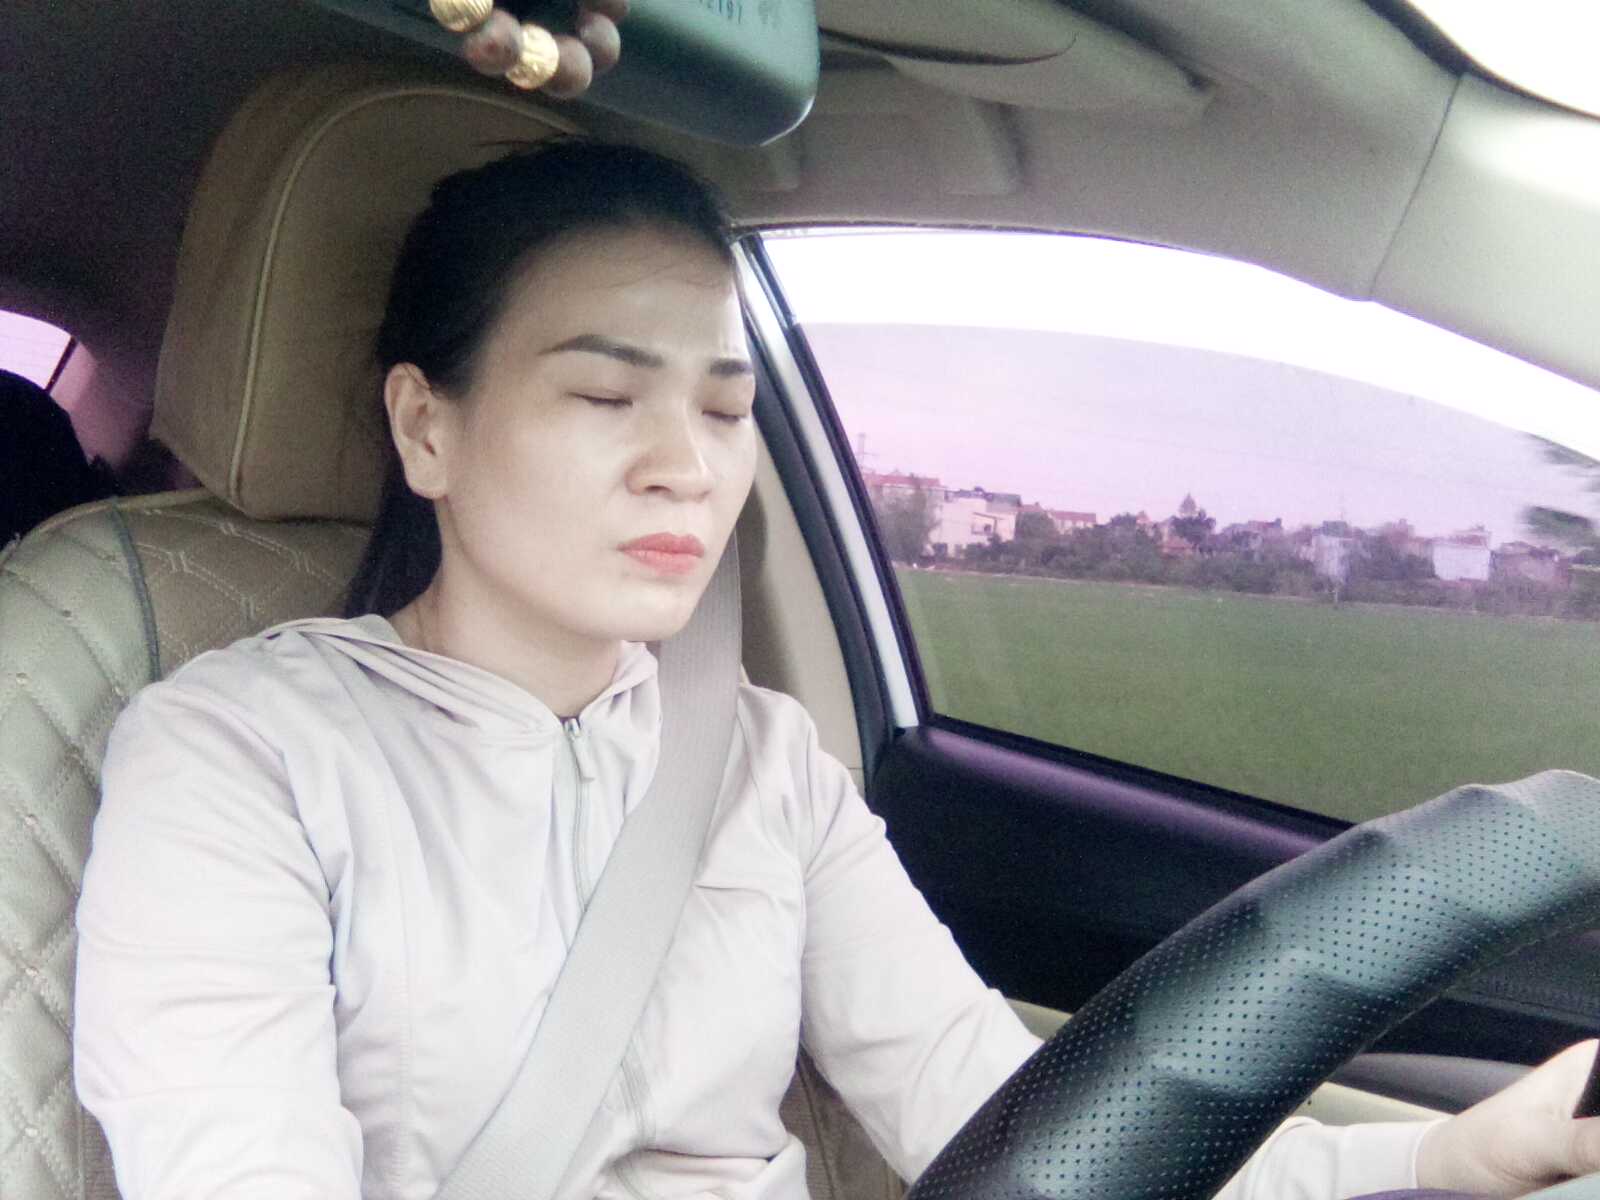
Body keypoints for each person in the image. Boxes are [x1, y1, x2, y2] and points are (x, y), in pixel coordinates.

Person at [73, 140, 1600, 1200]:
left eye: (725, 409)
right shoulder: (241, 753)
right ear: (427, 427)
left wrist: (1449, 1156)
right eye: (606, 394)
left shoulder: (756, 761)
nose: (688, 466)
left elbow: (1010, 1122)